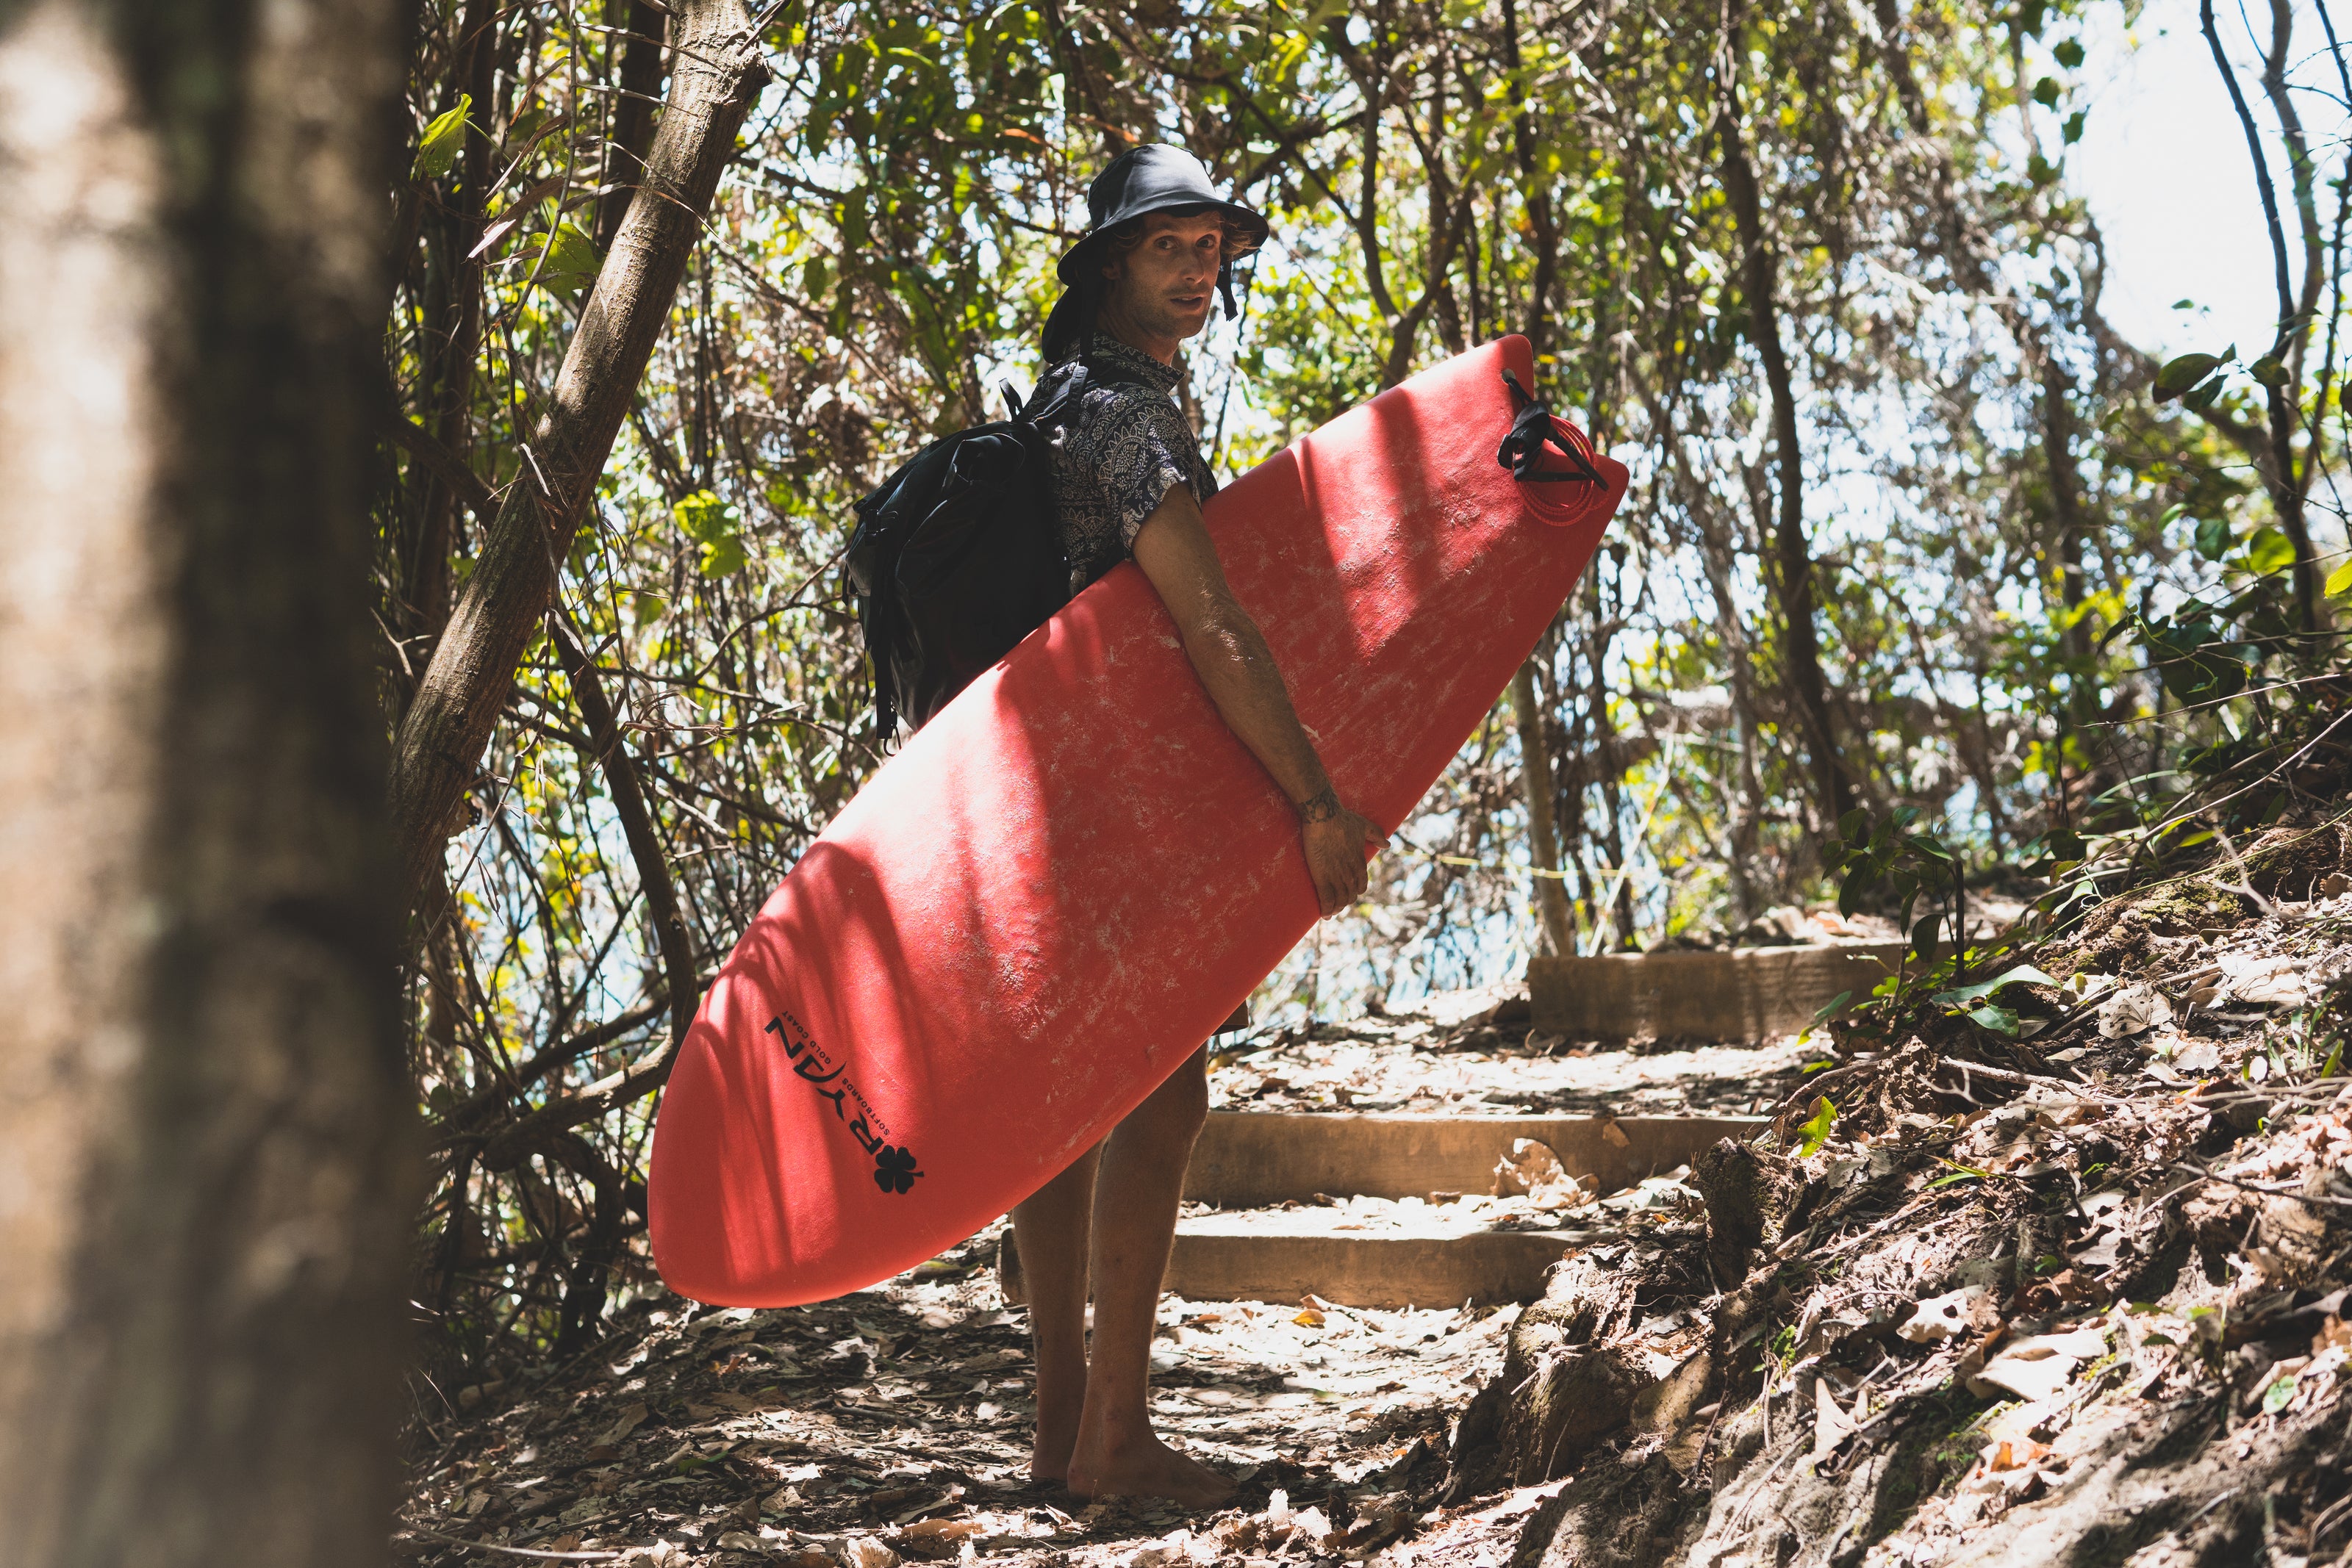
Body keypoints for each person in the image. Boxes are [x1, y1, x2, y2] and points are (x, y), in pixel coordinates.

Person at [1008, 145, 1385, 1506]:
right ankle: (1111, 1440)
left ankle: (1061, 1436)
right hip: (1122, 802)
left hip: (1049, 798)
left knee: (1069, 1111)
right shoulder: (1127, 418)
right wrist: (1314, 800)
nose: (1200, 270)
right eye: (1171, 246)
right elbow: (1210, 623)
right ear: (1113, 261)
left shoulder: (1063, 397)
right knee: (1160, 1099)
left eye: (1213, 248)